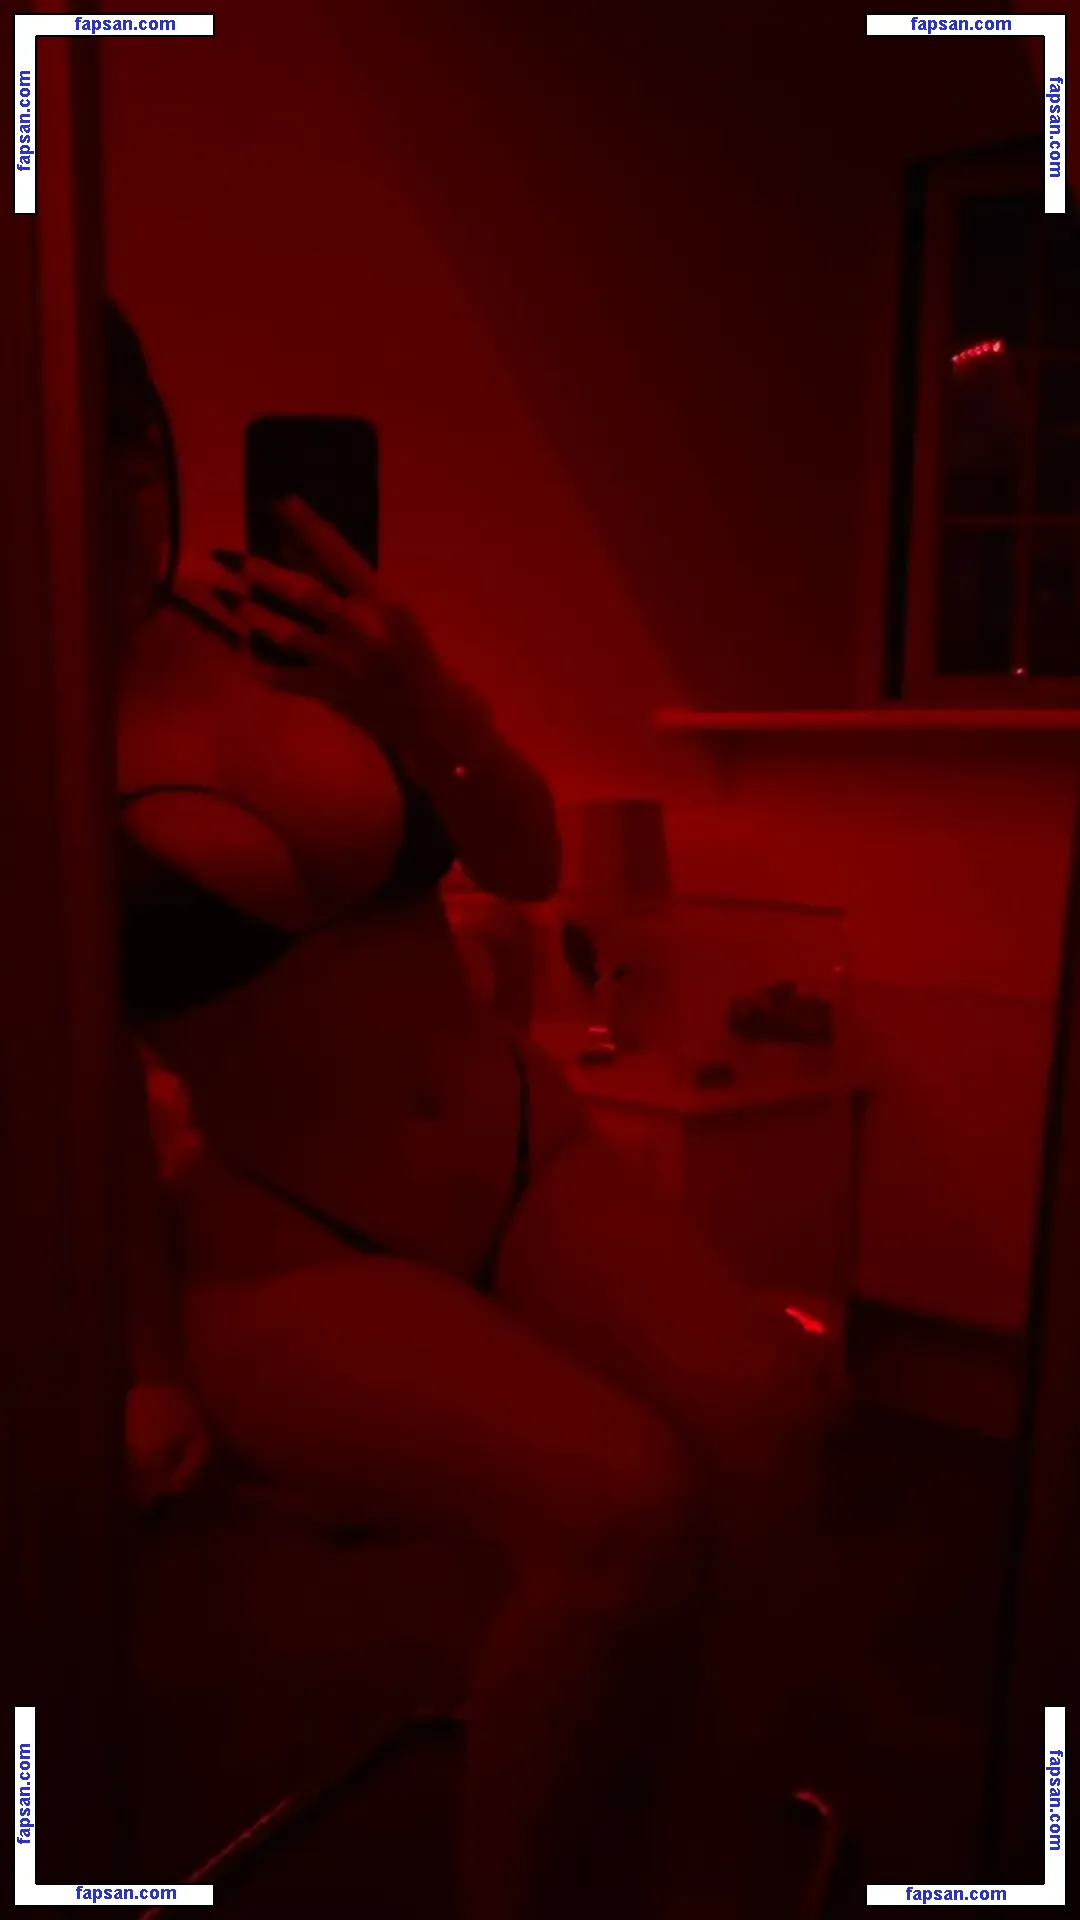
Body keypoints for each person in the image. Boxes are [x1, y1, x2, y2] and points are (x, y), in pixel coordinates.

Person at [108, 298, 846, 1920]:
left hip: (525, 1153)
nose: (124, 491)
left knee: (774, 1415)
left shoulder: (278, 624)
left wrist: (423, 693)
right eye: (81, 460)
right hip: (294, 1239)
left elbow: (524, 861)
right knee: (621, 1510)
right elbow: (76, 1096)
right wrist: (149, 1366)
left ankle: (707, 1870)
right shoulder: (35, 735)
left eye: (137, 443)